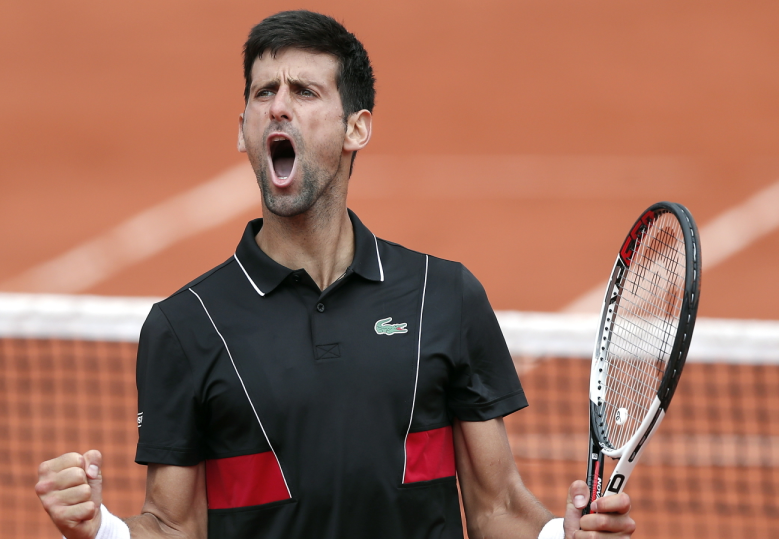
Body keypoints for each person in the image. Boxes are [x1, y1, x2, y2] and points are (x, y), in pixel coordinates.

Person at [35, 10, 636, 539]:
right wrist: (100, 530)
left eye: (305, 91)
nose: (278, 105)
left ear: (356, 128)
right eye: (263, 91)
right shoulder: (188, 326)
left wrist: (563, 536)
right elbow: (173, 526)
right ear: (242, 130)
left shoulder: (442, 297)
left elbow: (496, 506)